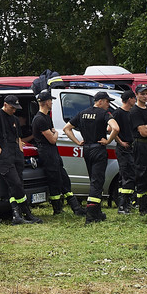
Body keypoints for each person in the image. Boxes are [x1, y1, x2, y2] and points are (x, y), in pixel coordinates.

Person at [62, 91, 119, 224]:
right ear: (100, 101)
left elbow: (66, 128)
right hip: (98, 149)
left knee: (93, 180)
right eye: (107, 101)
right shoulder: (104, 114)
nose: (108, 104)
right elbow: (115, 128)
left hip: (86, 149)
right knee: (97, 182)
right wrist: (108, 141)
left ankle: (97, 212)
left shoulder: (82, 113)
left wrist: (77, 142)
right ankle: (92, 215)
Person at [29, 90, 85, 216]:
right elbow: (53, 139)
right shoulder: (39, 119)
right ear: (45, 102)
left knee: (63, 178)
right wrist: (56, 133)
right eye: (50, 100)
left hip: (52, 152)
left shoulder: (46, 117)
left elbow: (52, 136)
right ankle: (58, 209)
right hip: (47, 152)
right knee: (54, 180)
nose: (52, 103)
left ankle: (75, 207)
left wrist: (53, 132)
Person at [0, 96, 41, 224]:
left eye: (16, 108)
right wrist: (0, 152)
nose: (14, 110)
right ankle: (26, 213)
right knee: (16, 184)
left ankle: (16, 215)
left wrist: (21, 153)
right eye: (12, 108)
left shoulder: (15, 118)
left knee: (15, 186)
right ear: (5, 105)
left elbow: (18, 139)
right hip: (4, 157)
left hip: (16, 156)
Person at [130, 84, 147, 214]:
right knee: (142, 175)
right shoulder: (135, 111)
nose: (145, 96)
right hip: (141, 145)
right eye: (142, 94)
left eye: (146, 93)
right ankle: (143, 208)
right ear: (136, 95)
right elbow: (143, 132)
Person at [110, 90, 137, 215]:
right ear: (130, 99)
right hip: (123, 149)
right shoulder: (118, 113)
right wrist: (120, 142)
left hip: (131, 147)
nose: (135, 100)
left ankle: (128, 202)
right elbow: (111, 129)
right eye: (134, 98)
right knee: (127, 176)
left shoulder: (131, 113)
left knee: (126, 176)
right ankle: (122, 206)